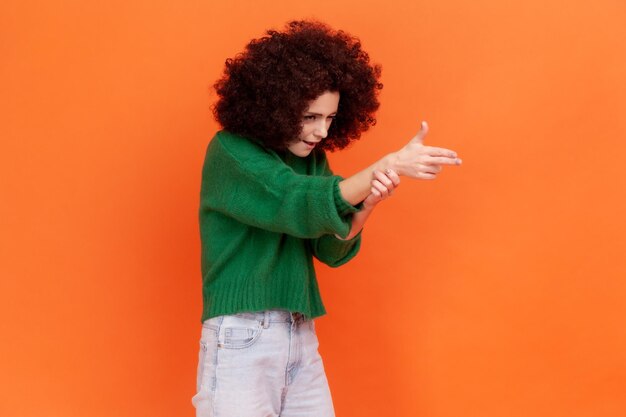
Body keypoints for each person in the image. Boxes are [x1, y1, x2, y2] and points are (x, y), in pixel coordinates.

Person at [192, 20, 461, 417]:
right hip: (241, 336)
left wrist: (369, 201)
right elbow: (293, 201)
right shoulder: (231, 152)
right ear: (277, 106)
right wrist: (382, 165)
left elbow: (330, 248)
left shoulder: (312, 160)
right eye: (310, 117)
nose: (321, 131)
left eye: (330, 119)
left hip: (299, 334)